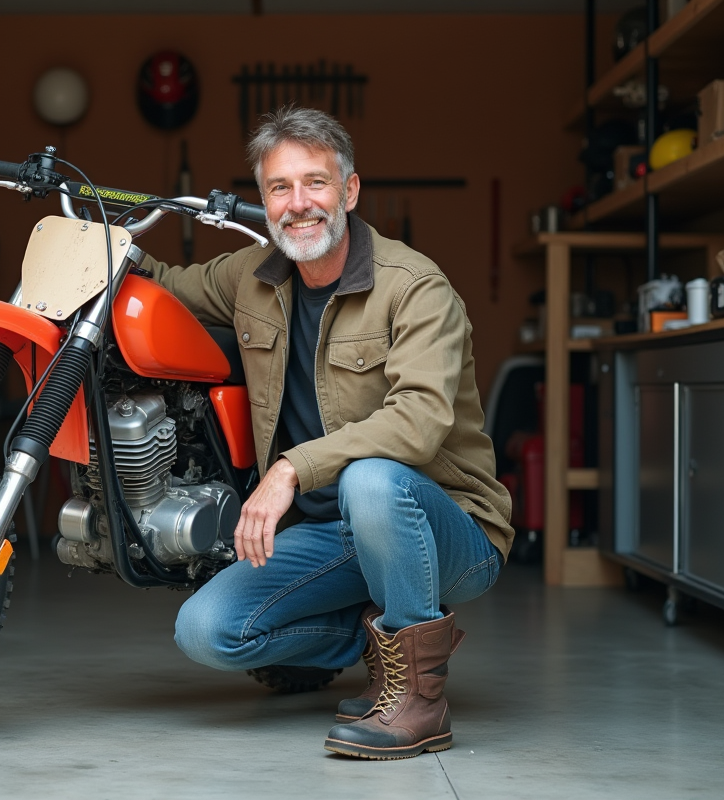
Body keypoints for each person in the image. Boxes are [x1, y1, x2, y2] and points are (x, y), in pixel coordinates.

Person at [143, 107, 513, 760]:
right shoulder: (250, 276)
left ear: (349, 191)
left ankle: (419, 701)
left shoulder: (415, 287)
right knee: (207, 631)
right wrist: (94, 248)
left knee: (369, 479)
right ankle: (383, 645)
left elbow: (419, 422)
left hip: (448, 525)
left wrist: (291, 468)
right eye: (279, 188)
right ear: (264, 201)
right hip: (331, 535)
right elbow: (164, 286)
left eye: (315, 182)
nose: (298, 204)